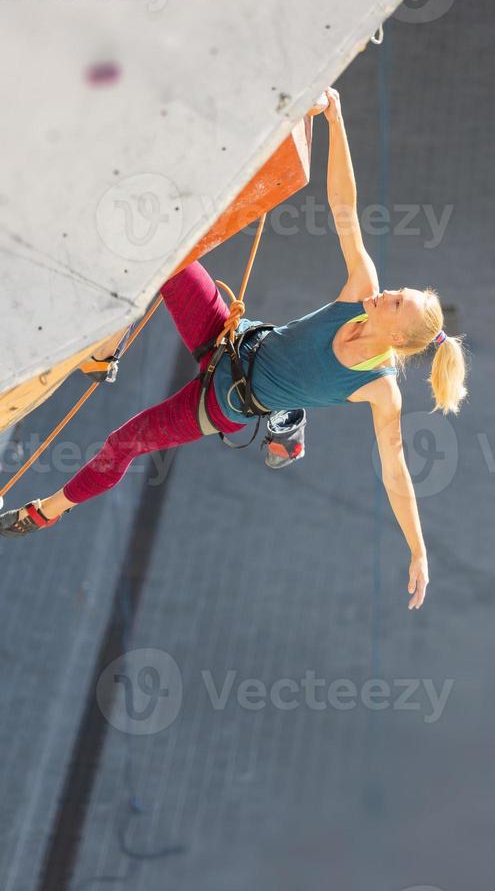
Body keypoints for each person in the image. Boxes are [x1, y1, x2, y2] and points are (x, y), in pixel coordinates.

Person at [0, 88, 468, 610]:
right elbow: (344, 208)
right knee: (167, 257)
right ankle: (272, 411)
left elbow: (396, 471)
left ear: (398, 340)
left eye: (395, 303)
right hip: (231, 337)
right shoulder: (361, 291)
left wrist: (418, 550)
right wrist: (337, 121)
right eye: (398, 292)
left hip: (224, 404)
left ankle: (48, 510)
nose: (385, 294)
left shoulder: (380, 391)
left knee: (124, 442)